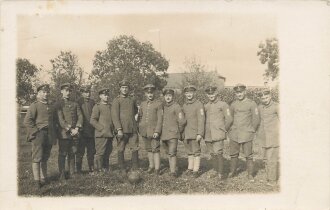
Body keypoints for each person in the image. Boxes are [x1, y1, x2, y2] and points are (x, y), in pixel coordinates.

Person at [24, 84, 57, 189]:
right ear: (38, 94)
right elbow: (27, 121)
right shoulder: (35, 105)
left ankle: (44, 178)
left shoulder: (50, 105)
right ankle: (37, 180)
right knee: (37, 157)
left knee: (45, 157)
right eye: (43, 92)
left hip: (49, 134)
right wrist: (35, 132)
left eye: (47, 92)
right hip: (39, 134)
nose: (46, 94)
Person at [228, 84, 260, 182]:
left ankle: (250, 174)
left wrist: (252, 130)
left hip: (247, 133)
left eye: (241, 92)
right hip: (235, 133)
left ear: (245, 92)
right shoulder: (233, 104)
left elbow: (256, 119)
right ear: (235, 93)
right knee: (233, 154)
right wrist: (230, 129)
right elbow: (230, 118)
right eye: (237, 92)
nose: (239, 94)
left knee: (248, 155)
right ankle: (232, 171)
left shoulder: (252, 103)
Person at [111, 79, 139, 175]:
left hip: (132, 129)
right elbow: (115, 116)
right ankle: (121, 168)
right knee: (121, 148)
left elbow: (135, 111)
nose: (124, 89)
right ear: (120, 89)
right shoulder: (116, 100)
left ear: (129, 89)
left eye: (126, 87)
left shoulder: (132, 99)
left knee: (135, 148)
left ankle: (135, 167)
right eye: (123, 87)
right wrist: (119, 129)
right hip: (122, 130)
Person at [204, 86, 233, 179]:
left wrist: (224, 129)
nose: (211, 95)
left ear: (216, 93)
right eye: (209, 94)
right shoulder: (206, 106)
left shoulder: (223, 104)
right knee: (212, 154)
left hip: (218, 133)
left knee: (219, 153)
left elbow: (229, 119)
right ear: (207, 95)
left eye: (212, 93)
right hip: (208, 134)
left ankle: (220, 173)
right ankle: (215, 171)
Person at [56, 83, 83, 180]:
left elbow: (80, 116)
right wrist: (70, 129)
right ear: (61, 91)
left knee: (73, 152)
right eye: (66, 91)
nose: (68, 93)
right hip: (64, 133)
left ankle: (72, 173)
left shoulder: (75, 104)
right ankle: (62, 174)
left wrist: (77, 128)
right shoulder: (59, 104)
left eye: (69, 91)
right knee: (63, 153)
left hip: (75, 133)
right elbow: (61, 119)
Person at [138, 84, 163, 175]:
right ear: (145, 94)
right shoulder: (143, 104)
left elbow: (160, 119)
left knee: (155, 149)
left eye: (151, 92)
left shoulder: (158, 104)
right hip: (145, 131)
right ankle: (151, 166)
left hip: (154, 131)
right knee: (149, 149)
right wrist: (140, 127)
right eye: (148, 93)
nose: (150, 95)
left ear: (154, 93)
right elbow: (140, 116)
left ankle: (157, 168)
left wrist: (157, 131)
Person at [161, 88, 186, 177]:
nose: (168, 97)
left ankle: (173, 172)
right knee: (168, 152)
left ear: (173, 97)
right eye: (166, 96)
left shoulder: (176, 106)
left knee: (172, 153)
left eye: (170, 96)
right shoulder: (163, 106)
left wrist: (178, 131)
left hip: (173, 134)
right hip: (164, 134)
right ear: (164, 97)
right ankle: (173, 167)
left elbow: (182, 121)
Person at [257, 88, 280, 186]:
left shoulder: (277, 106)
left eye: (266, 97)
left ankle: (273, 181)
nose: (265, 99)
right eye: (262, 98)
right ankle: (268, 178)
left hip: (273, 137)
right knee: (266, 159)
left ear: (270, 96)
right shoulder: (260, 107)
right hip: (263, 137)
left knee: (272, 159)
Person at [182, 85, 205, 178]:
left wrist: (200, 133)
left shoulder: (199, 104)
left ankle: (196, 170)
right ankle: (190, 168)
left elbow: (201, 119)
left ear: (194, 93)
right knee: (189, 151)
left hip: (195, 132)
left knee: (196, 151)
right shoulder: (184, 105)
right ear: (185, 94)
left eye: (191, 92)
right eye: (187, 93)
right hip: (186, 132)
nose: (189, 95)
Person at [90, 88, 114, 173]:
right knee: (100, 152)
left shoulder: (110, 106)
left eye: (107, 95)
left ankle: (105, 168)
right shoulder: (97, 106)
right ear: (100, 96)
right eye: (104, 95)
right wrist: (101, 129)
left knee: (108, 151)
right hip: (101, 135)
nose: (106, 96)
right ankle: (98, 169)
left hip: (110, 134)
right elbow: (92, 120)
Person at [77, 85, 96, 173]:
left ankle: (91, 168)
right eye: (85, 92)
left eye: (88, 92)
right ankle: (79, 169)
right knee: (80, 151)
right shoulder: (78, 102)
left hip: (91, 131)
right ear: (82, 93)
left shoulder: (93, 102)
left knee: (91, 151)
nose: (87, 94)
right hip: (81, 130)